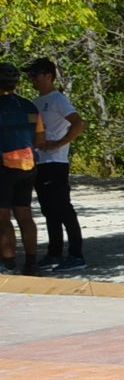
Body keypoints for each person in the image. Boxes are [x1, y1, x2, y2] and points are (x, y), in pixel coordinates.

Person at [28, 59, 85, 269]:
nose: (32, 79)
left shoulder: (57, 100)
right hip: (40, 163)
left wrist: (59, 144)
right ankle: (54, 253)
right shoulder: (34, 102)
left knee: (63, 208)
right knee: (49, 210)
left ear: (48, 76)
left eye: (35, 74)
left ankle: (76, 255)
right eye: (30, 75)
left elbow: (79, 123)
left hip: (56, 163)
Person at [0, 65, 39, 273]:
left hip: (4, 168)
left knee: (3, 218)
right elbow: (39, 138)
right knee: (25, 215)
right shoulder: (29, 106)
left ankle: (8, 264)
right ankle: (31, 263)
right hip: (28, 166)